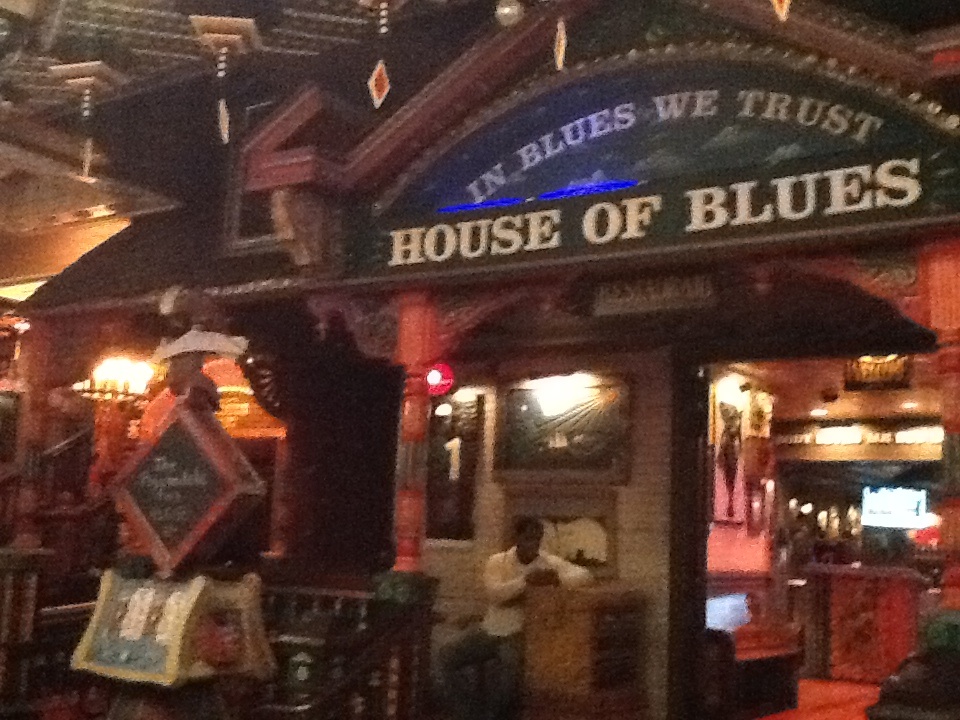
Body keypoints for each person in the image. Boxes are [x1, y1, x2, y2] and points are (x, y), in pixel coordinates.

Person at [438, 516, 592, 720]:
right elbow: (495, 594)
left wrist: (556, 578)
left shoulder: (547, 562)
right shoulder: (497, 561)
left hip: (519, 633)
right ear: (517, 538)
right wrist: (526, 582)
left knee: (511, 672)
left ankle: (492, 716)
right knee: (446, 656)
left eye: (537, 539)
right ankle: (469, 711)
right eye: (529, 538)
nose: (534, 544)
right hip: (489, 629)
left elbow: (585, 575)